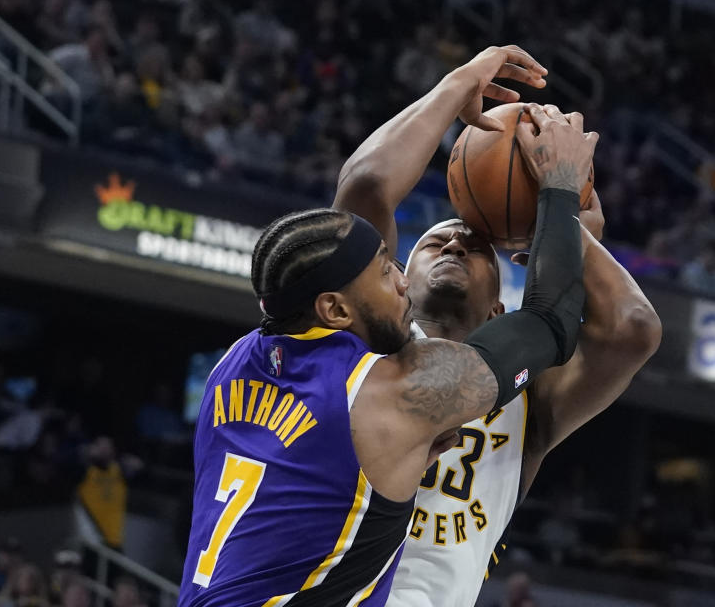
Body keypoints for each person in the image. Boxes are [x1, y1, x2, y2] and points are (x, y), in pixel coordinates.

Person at [177, 45, 597, 607]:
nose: (402, 281)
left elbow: (368, 184)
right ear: (334, 309)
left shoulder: (236, 364)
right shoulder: (397, 395)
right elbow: (551, 318)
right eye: (385, 273)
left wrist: (457, 86)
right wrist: (561, 187)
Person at [334, 56, 661, 607]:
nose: (457, 244)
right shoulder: (362, 346)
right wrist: (457, 84)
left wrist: (557, 217)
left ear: (499, 311)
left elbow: (632, 331)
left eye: (477, 249)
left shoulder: (531, 396)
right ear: (397, 282)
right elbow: (367, 186)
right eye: (435, 242)